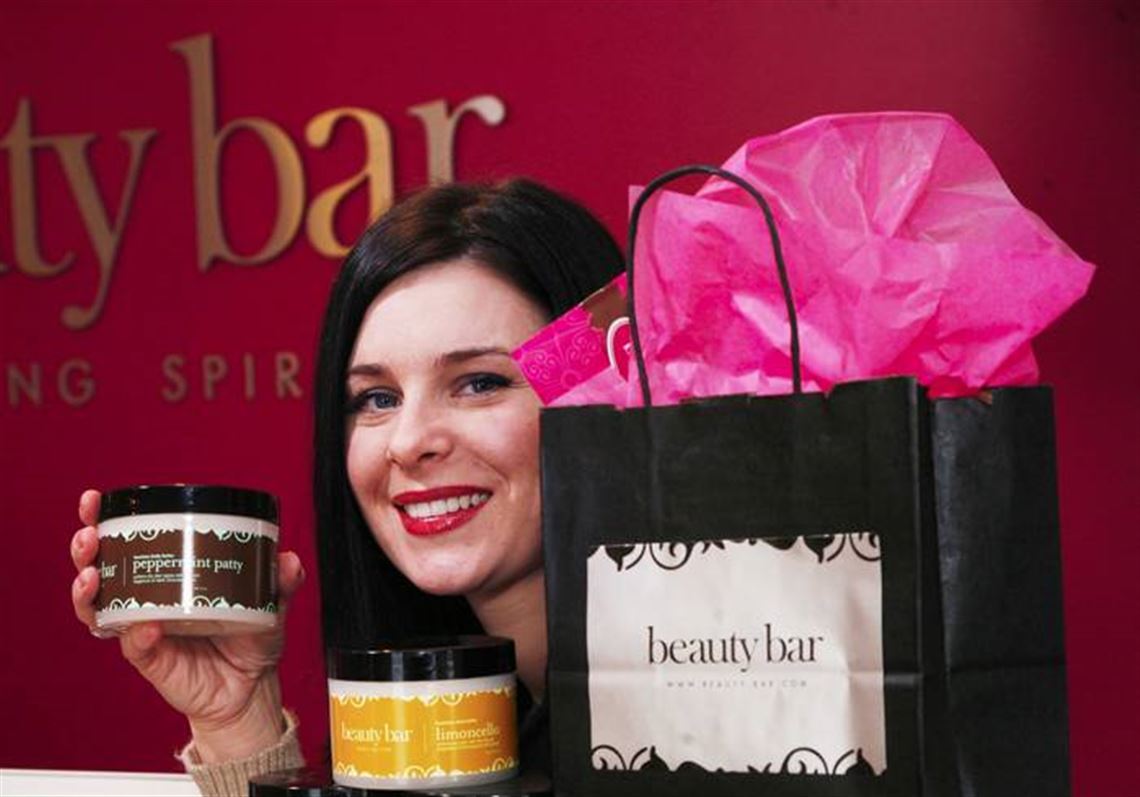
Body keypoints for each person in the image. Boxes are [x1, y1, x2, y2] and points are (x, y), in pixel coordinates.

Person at [69, 178, 625, 796]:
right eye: (377, 398)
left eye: (480, 383)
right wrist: (237, 715)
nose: (408, 442)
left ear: (613, 387)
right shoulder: (447, 712)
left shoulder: (699, 700)